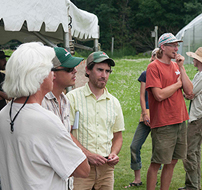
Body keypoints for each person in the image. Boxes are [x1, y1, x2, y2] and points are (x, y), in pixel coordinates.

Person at [0, 42, 90, 190]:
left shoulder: (4, 114)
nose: (52, 74)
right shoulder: (45, 121)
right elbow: (83, 169)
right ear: (40, 76)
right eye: (49, 69)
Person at [67, 51, 125, 190]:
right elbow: (65, 133)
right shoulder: (72, 98)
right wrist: (87, 155)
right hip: (80, 166)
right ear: (87, 70)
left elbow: (118, 137)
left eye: (107, 71)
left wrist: (114, 154)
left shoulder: (114, 102)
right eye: (99, 70)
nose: (104, 75)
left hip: (106, 168)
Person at [146, 33, 193, 190]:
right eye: (172, 45)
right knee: (157, 162)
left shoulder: (176, 66)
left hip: (180, 119)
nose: (176, 48)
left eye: (177, 45)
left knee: (173, 161)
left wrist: (181, 67)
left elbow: (190, 91)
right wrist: (177, 85)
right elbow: (158, 95)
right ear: (163, 47)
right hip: (163, 121)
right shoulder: (153, 67)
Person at [41, 47, 84, 190]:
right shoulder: (40, 103)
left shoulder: (65, 100)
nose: (75, 71)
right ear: (52, 72)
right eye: (69, 68)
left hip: (65, 182)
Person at [178, 47, 202, 190]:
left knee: (189, 151)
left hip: (199, 117)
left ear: (198, 60)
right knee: (194, 151)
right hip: (200, 116)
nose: (192, 60)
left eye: (194, 58)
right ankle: (193, 184)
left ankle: (192, 186)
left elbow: (190, 93)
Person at [125, 48, 158, 188]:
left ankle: (154, 177)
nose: (157, 58)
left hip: (159, 115)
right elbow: (141, 96)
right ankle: (137, 178)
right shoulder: (145, 74)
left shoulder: (164, 74)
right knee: (134, 146)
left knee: (158, 148)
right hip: (146, 114)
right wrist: (145, 113)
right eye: (155, 55)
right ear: (152, 57)